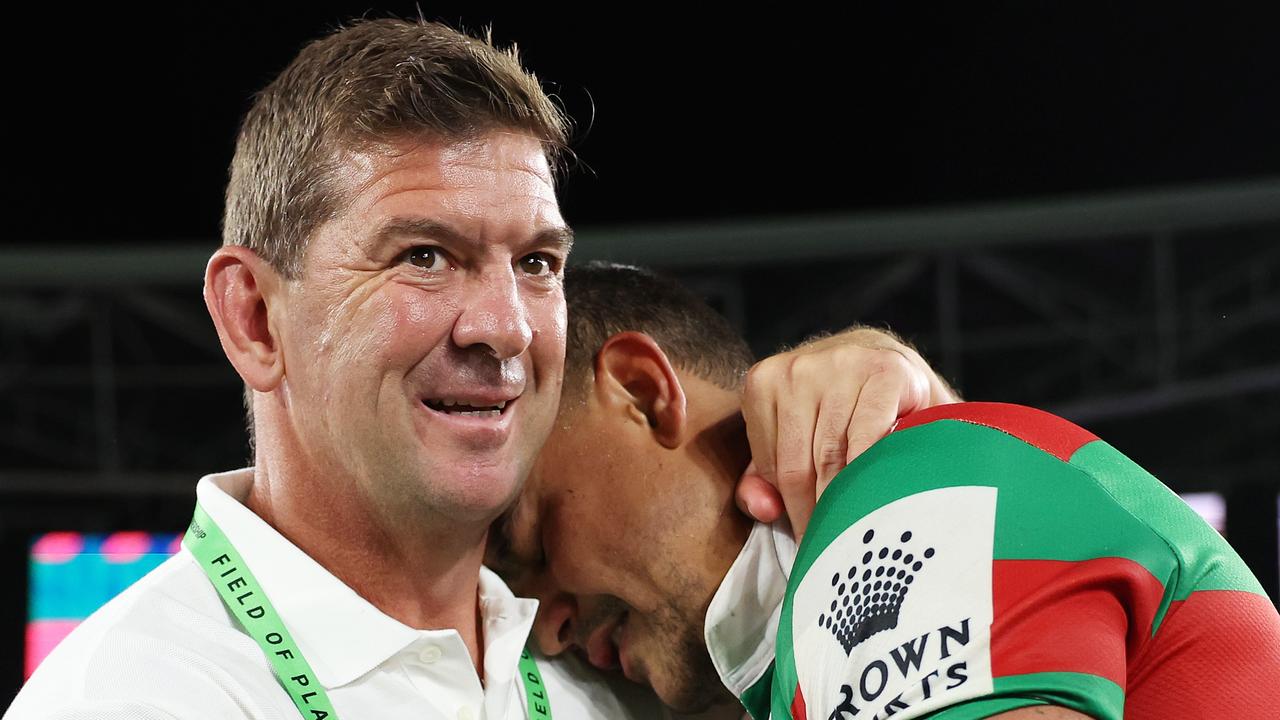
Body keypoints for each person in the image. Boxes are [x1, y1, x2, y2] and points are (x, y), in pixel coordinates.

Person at [8, 19, 954, 720]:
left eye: (537, 264)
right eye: (424, 255)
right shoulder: (135, 695)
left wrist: (918, 424)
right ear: (256, 318)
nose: (504, 326)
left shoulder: (600, 671)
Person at [489, 263, 1280, 720]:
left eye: (530, 539)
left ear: (642, 392)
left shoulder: (904, 494)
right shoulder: (801, 638)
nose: (544, 626)